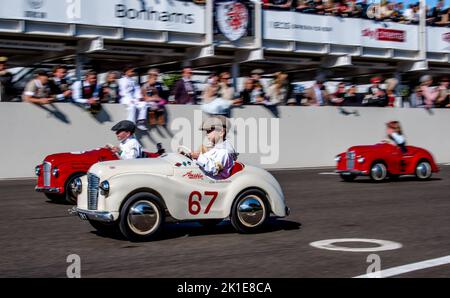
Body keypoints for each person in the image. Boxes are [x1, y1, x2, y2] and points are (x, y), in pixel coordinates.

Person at [190, 116, 238, 180]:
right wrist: (190, 157)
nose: (207, 134)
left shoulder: (225, 151)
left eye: (209, 131)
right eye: (207, 131)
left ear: (221, 132)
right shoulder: (216, 148)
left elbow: (215, 169)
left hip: (213, 182)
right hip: (204, 178)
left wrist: (198, 157)